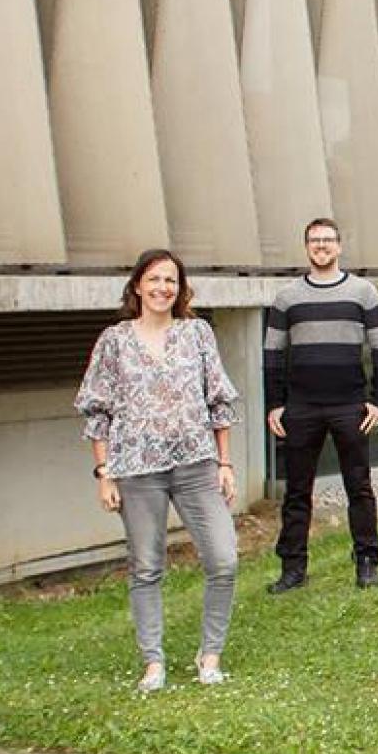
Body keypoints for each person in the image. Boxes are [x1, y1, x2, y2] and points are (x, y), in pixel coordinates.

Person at [75, 249, 241, 691]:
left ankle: (210, 655)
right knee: (146, 567)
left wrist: (225, 463)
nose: (163, 288)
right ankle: (153, 662)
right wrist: (104, 472)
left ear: (180, 288)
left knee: (223, 559)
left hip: (196, 464)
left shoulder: (198, 333)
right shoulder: (114, 340)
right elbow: (97, 411)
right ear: (137, 286)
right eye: (154, 279)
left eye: (171, 280)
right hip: (136, 470)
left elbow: (219, 400)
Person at [263, 217, 378, 593]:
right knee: (296, 491)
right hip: (301, 408)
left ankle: (367, 560)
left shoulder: (363, 293)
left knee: (359, 486)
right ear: (306, 247)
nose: (321, 246)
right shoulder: (287, 297)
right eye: (314, 241)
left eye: (328, 240)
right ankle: (292, 569)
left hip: (350, 405)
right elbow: (272, 354)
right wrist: (275, 404)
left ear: (339, 246)